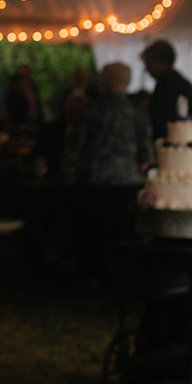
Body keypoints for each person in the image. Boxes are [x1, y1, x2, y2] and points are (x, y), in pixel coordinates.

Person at [62, 63, 151, 286]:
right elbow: (146, 151)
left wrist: (69, 172)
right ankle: (122, 276)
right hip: (127, 181)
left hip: (95, 180)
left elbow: (76, 145)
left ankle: (93, 276)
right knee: (123, 231)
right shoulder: (136, 111)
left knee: (93, 232)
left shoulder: (92, 109)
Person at [139, 38, 192, 134]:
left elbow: (160, 118)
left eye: (149, 63)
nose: (147, 69)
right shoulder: (176, 81)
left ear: (159, 61)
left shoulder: (167, 84)